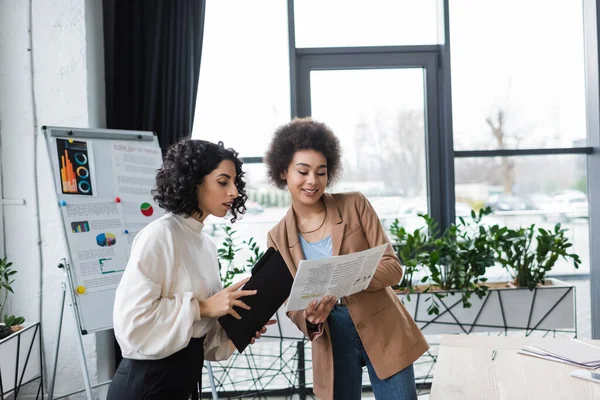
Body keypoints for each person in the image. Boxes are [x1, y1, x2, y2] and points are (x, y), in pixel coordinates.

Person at [264, 118, 429, 400]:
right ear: (283, 172)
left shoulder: (355, 204)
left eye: (321, 172)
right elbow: (292, 305)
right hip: (332, 338)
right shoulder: (277, 237)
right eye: (302, 171)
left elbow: (392, 269)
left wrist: (347, 278)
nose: (312, 181)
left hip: (383, 328)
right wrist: (311, 319)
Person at [108, 139, 274, 400]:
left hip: (180, 386)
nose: (234, 192)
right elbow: (131, 326)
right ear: (194, 181)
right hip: (145, 388)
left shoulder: (205, 245)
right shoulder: (159, 236)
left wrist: (240, 329)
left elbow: (202, 341)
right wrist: (204, 307)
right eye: (223, 182)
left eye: (235, 183)